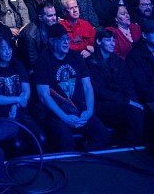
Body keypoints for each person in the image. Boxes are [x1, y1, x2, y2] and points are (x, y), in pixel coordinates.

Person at [33, 23, 110, 151]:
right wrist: (64, 117)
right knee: (65, 143)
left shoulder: (76, 57)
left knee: (103, 135)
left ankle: (86, 160)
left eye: (67, 38)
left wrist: (89, 111)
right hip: (57, 114)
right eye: (62, 39)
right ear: (52, 41)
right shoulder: (43, 61)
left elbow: (87, 86)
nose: (66, 42)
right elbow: (43, 96)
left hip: (80, 110)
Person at [86, 29, 145, 144]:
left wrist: (133, 101)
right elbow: (99, 91)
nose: (112, 43)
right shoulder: (91, 63)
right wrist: (127, 101)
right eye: (108, 40)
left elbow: (128, 86)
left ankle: (132, 147)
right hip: (102, 104)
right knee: (133, 113)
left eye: (113, 40)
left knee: (140, 110)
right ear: (99, 41)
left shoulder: (118, 62)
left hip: (121, 101)